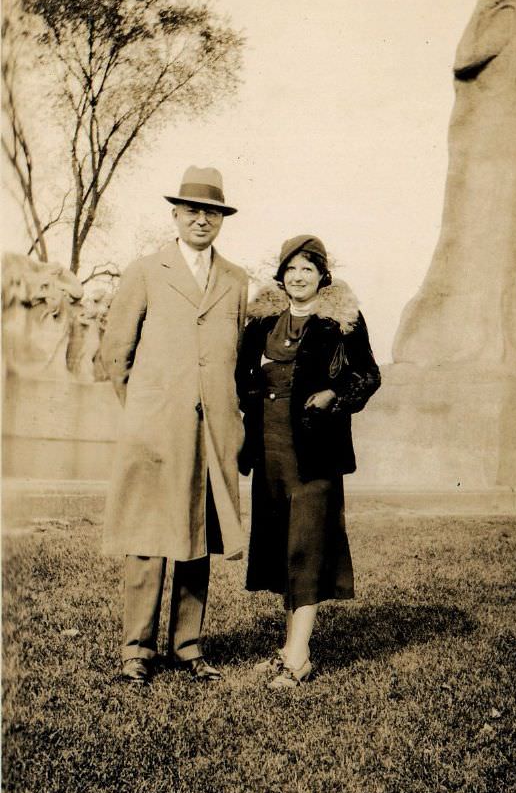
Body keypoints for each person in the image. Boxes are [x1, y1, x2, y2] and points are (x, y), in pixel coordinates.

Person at [102, 166, 248, 684]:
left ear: (221, 220)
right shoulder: (146, 269)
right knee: (146, 537)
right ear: (176, 215)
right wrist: (146, 410)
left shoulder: (235, 279)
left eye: (211, 212)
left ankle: (188, 646)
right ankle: (135, 650)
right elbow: (115, 353)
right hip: (155, 429)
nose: (201, 220)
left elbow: (231, 357)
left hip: (212, 433)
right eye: (192, 211)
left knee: (198, 536)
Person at [236, 235, 380, 688]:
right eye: (292, 269)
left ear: (322, 276)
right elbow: (241, 376)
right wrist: (258, 390)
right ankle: (287, 648)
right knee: (283, 545)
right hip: (270, 448)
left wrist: (334, 394)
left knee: (307, 545)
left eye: (308, 269)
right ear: (281, 275)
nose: (299, 277)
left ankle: (299, 657)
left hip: (315, 451)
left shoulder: (342, 322)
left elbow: (368, 374)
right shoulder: (261, 321)